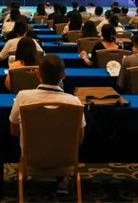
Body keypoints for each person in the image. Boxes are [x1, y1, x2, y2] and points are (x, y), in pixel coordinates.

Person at [8, 54, 84, 195]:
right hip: (65, 160)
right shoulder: (75, 102)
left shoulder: (23, 97)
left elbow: (14, 130)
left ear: (38, 73)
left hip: (31, 158)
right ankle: (63, 177)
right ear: (64, 76)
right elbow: (79, 138)